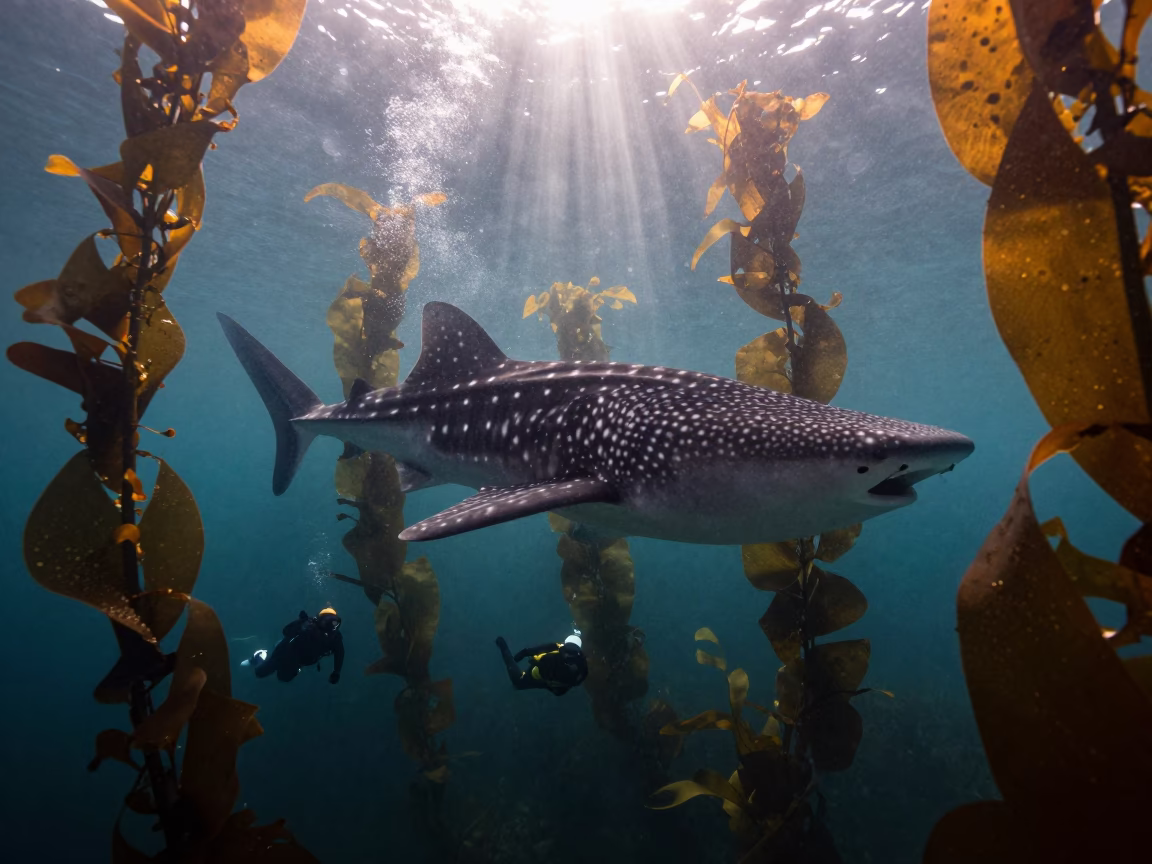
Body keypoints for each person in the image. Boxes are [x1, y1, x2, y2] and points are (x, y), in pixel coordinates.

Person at [242, 607, 344, 684]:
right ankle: (260, 656)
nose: (330, 624)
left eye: (333, 621)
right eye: (326, 620)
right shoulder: (308, 624)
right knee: (259, 673)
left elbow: (340, 653)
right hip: (282, 654)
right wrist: (300, 624)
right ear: (318, 619)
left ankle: (292, 669)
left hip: (298, 662)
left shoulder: (335, 637)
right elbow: (286, 631)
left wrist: (336, 672)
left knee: (283, 679)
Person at [496, 630, 587, 696]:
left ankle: (504, 648)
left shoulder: (557, 648)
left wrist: (520, 657)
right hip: (554, 685)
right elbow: (579, 680)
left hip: (543, 678)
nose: (568, 654)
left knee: (518, 683)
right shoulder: (581, 663)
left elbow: (529, 652)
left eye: (572, 651)